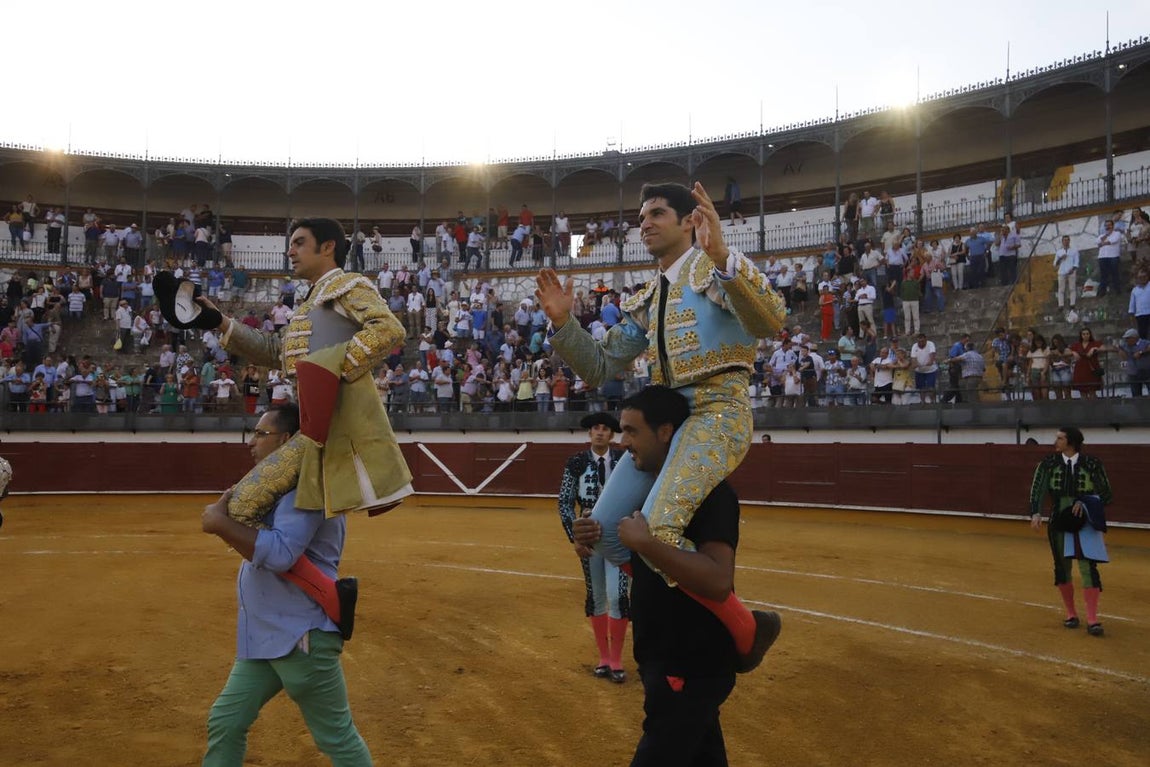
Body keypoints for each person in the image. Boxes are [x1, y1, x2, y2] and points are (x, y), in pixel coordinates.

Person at [536, 181, 785, 673]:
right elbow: (603, 367)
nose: (645, 223)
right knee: (608, 532)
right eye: (642, 216)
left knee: (658, 529)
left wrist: (722, 258)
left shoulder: (716, 269)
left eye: (658, 213)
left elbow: (770, 320)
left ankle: (741, 624)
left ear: (691, 221)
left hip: (716, 413)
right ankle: (677, 602)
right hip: (662, 423)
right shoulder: (649, 297)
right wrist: (565, 326)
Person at [160, 218, 413, 628]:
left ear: (327, 246)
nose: (290, 251)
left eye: (299, 243)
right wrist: (220, 323)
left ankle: (323, 594)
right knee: (263, 515)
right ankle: (327, 593)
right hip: (314, 428)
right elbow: (277, 351)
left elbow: (390, 329)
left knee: (239, 510)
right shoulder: (308, 304)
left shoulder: (348, 285)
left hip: (332, 430)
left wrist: (330, 372)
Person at [573, 386, 767, 766]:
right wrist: (592, 537)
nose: (623, 442)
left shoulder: (713, 494)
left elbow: (716, 579)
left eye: (632, 431)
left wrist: (647, 545)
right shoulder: (646, 493)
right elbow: (646, 564)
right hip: (663, 652)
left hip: (693, 659)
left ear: (665, 432)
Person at [200, 405, 373, 766]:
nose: (252, 443)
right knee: (227, 721)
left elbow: (280, 555)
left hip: (301, 637)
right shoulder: (286, 490)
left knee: (337, 738)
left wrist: (220, 523)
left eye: (261, 434)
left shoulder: (303, 489)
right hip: (267, 637)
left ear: (286, 440)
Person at [558, 412, 631, 683]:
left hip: (619, 537)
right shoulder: (576, 462)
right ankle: (603, 658)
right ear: (590, 433)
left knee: (617, 595)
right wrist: (574, 537)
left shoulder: (626, 461)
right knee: (598, 596)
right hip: (588, 539)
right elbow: (565, 502)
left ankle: (617, 659)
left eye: (605, 429)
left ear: (612, 435)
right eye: (595, 429)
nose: (600, 433)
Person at [1028, 427, 1113, 637]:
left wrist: (1085, 503)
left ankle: (1092, 619)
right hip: (1059, 518)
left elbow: (1106, 494)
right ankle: (1071, 613)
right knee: (1062, 566)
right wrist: (1036, 513)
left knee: (1088, 567)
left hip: (1086, 521)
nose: (1056, 441)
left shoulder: (1092, 464)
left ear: (1071, 441)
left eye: (1060, 438)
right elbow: (1037, 489)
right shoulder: (1048, 464)